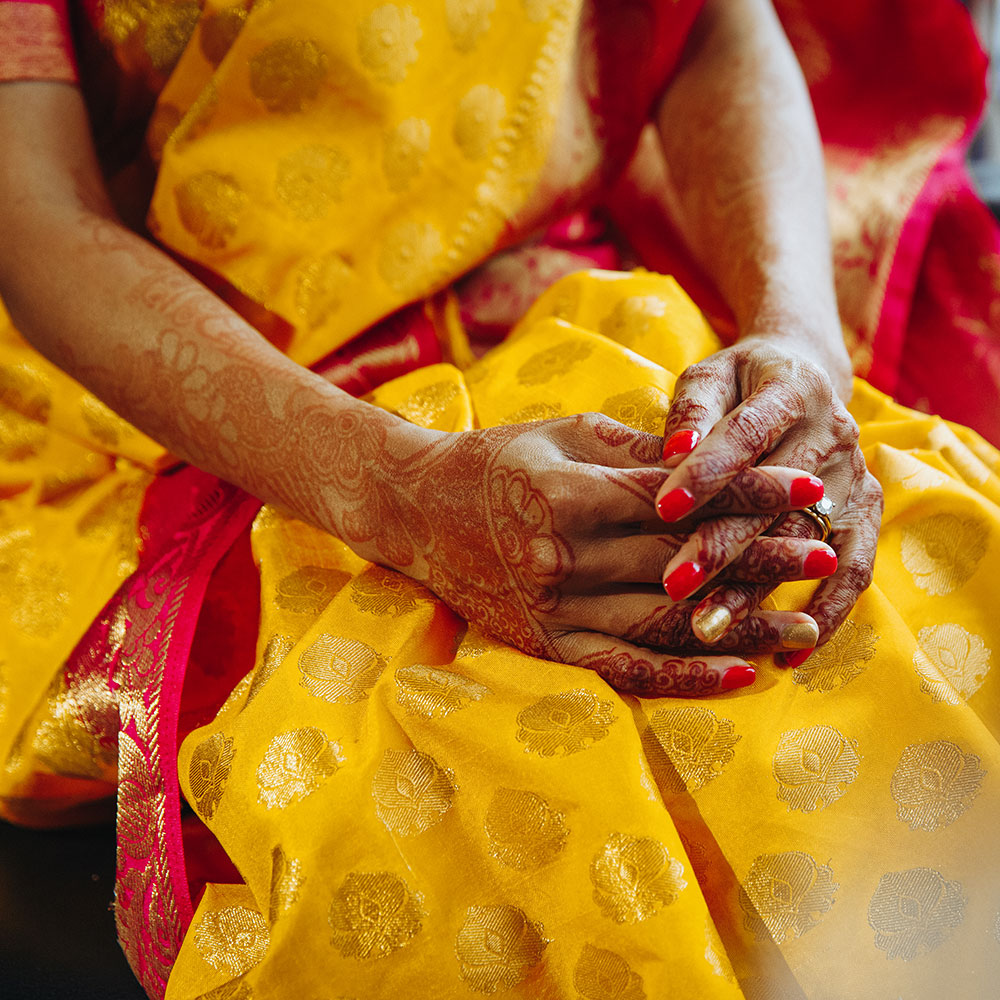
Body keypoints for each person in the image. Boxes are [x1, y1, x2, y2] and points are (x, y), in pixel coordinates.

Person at [0, 1, 997, 998]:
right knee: (506, 803)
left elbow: (704, 26)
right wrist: (394, 493)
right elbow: (35, 214)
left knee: (924, 581)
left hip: (567, 302)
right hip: (206, 417)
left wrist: (797, 351)